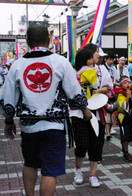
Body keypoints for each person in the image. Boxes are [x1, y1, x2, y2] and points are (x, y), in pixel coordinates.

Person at [0, 24, 91, 196]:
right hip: (54, 127)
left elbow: (8, 100)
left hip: (29, 127)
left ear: (27, 41)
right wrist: (85, 111)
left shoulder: (17, 65)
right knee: (49, 171)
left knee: (30, 163)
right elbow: (75, 93)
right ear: (49, 40)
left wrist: (9, 121)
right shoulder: (60, 62)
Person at [70, 47, 106, 188]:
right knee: (82, 143)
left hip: (97, 111)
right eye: (94, 55)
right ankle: (78, 170)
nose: (96, 57)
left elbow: (108, 88)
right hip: (78, 113)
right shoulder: (73, 74)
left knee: (96, 145)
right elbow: (71, 93)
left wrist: (99, 90)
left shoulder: (102, 70)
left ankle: (93, 175)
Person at [117, 76, 132, 161]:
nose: (128, 85)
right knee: (125, 135)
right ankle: (126, 152)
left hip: (131, 117)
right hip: (123, 117)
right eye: (125, 83)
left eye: (129, 83)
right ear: (121, 85)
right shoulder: (120, 94)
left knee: (130, 136)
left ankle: (124, 148)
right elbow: (123, 107)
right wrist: (128, 97)